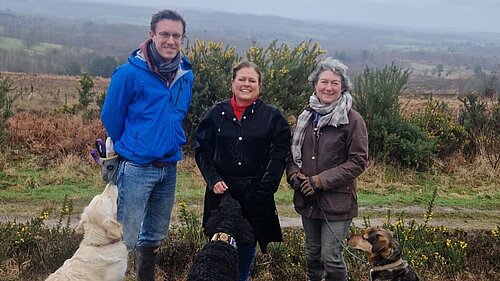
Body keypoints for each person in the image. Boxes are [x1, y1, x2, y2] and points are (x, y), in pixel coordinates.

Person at [100, 9, 194, 281]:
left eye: (176, 36)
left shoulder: (185, 74)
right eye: (164, 34)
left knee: (153, 235)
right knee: (123, 237)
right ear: (151, 35)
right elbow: (111, 117)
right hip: (136, 168)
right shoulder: (128, 73)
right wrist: (134, 145)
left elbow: (178, 114)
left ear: (182, 39)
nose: (170, 41)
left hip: (169, 167)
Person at [194, 60, 291, 281]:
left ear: (259, 85)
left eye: (252, 80)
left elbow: (279, 156)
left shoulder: (272, 116)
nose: (246, 84)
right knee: (217, 251)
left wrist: (265, 189)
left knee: (246, 249)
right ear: (233, 83)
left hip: (255, 193)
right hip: (221, 192)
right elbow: (202, 150)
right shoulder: (216, 114)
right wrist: (212, 179)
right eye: (242, 79)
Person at [286, 57, 368, 281]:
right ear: (315, 84)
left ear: (343, 87)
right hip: (308, 199)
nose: (328, 87)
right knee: (312, 255)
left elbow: (358, 161)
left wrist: (320, 181)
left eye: (335, 83)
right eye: (324, 81)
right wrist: (294, 175)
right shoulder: (306, 117)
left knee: (330, 257)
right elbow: (293, 154)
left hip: (338, 202)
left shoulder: (352, 120)